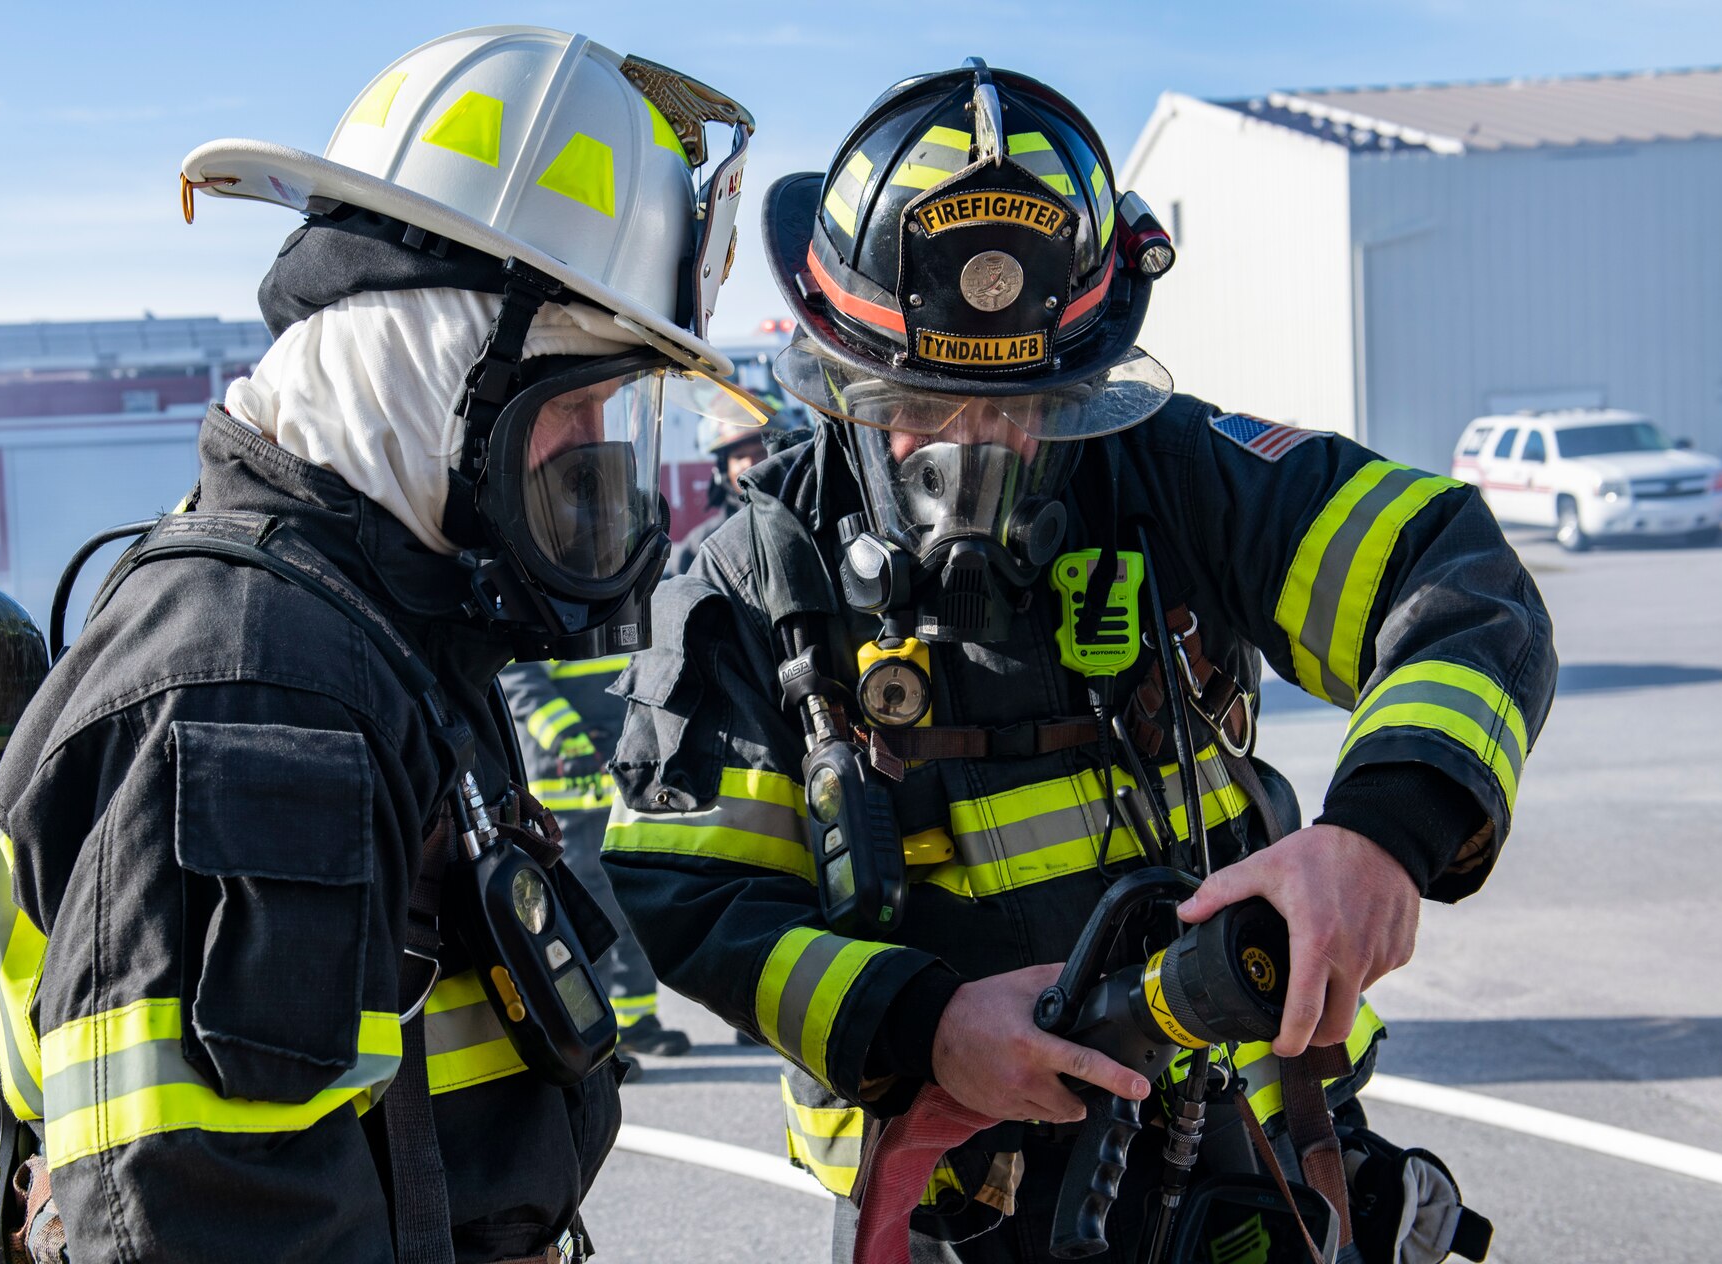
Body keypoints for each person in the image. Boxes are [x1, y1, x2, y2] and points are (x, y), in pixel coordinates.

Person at [603, 61, 1553, 1262]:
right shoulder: (748, 582)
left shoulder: (1180, 474)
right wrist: (926, 1026)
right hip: (951, 1186)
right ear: (839, 368)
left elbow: (1452, 575)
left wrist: (1382, 829)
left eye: (1029, 408)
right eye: (921, 404)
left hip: (1249, 1140)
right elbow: (687, 892)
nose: (975, 450)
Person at [0, 26, 757, 1263]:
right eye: (578, 404)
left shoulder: (374, 626)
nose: (597, 460)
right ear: (435, 360)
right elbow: (218, 1225)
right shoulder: (253, 690)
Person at [499, 657, 695, 1058]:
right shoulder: (550, 601)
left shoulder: (620, 600)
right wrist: (563, 733)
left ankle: (636, 1021)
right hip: (569, 787)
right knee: (588, 911)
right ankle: (599, 1033)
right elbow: (517, 675)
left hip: (624, 779)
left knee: (632, 900)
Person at [667, 403, 807, 576]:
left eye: (759, 452)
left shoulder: (809, 515)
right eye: (739, 457)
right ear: (723, 470)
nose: (749, 464)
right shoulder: (707, 541)